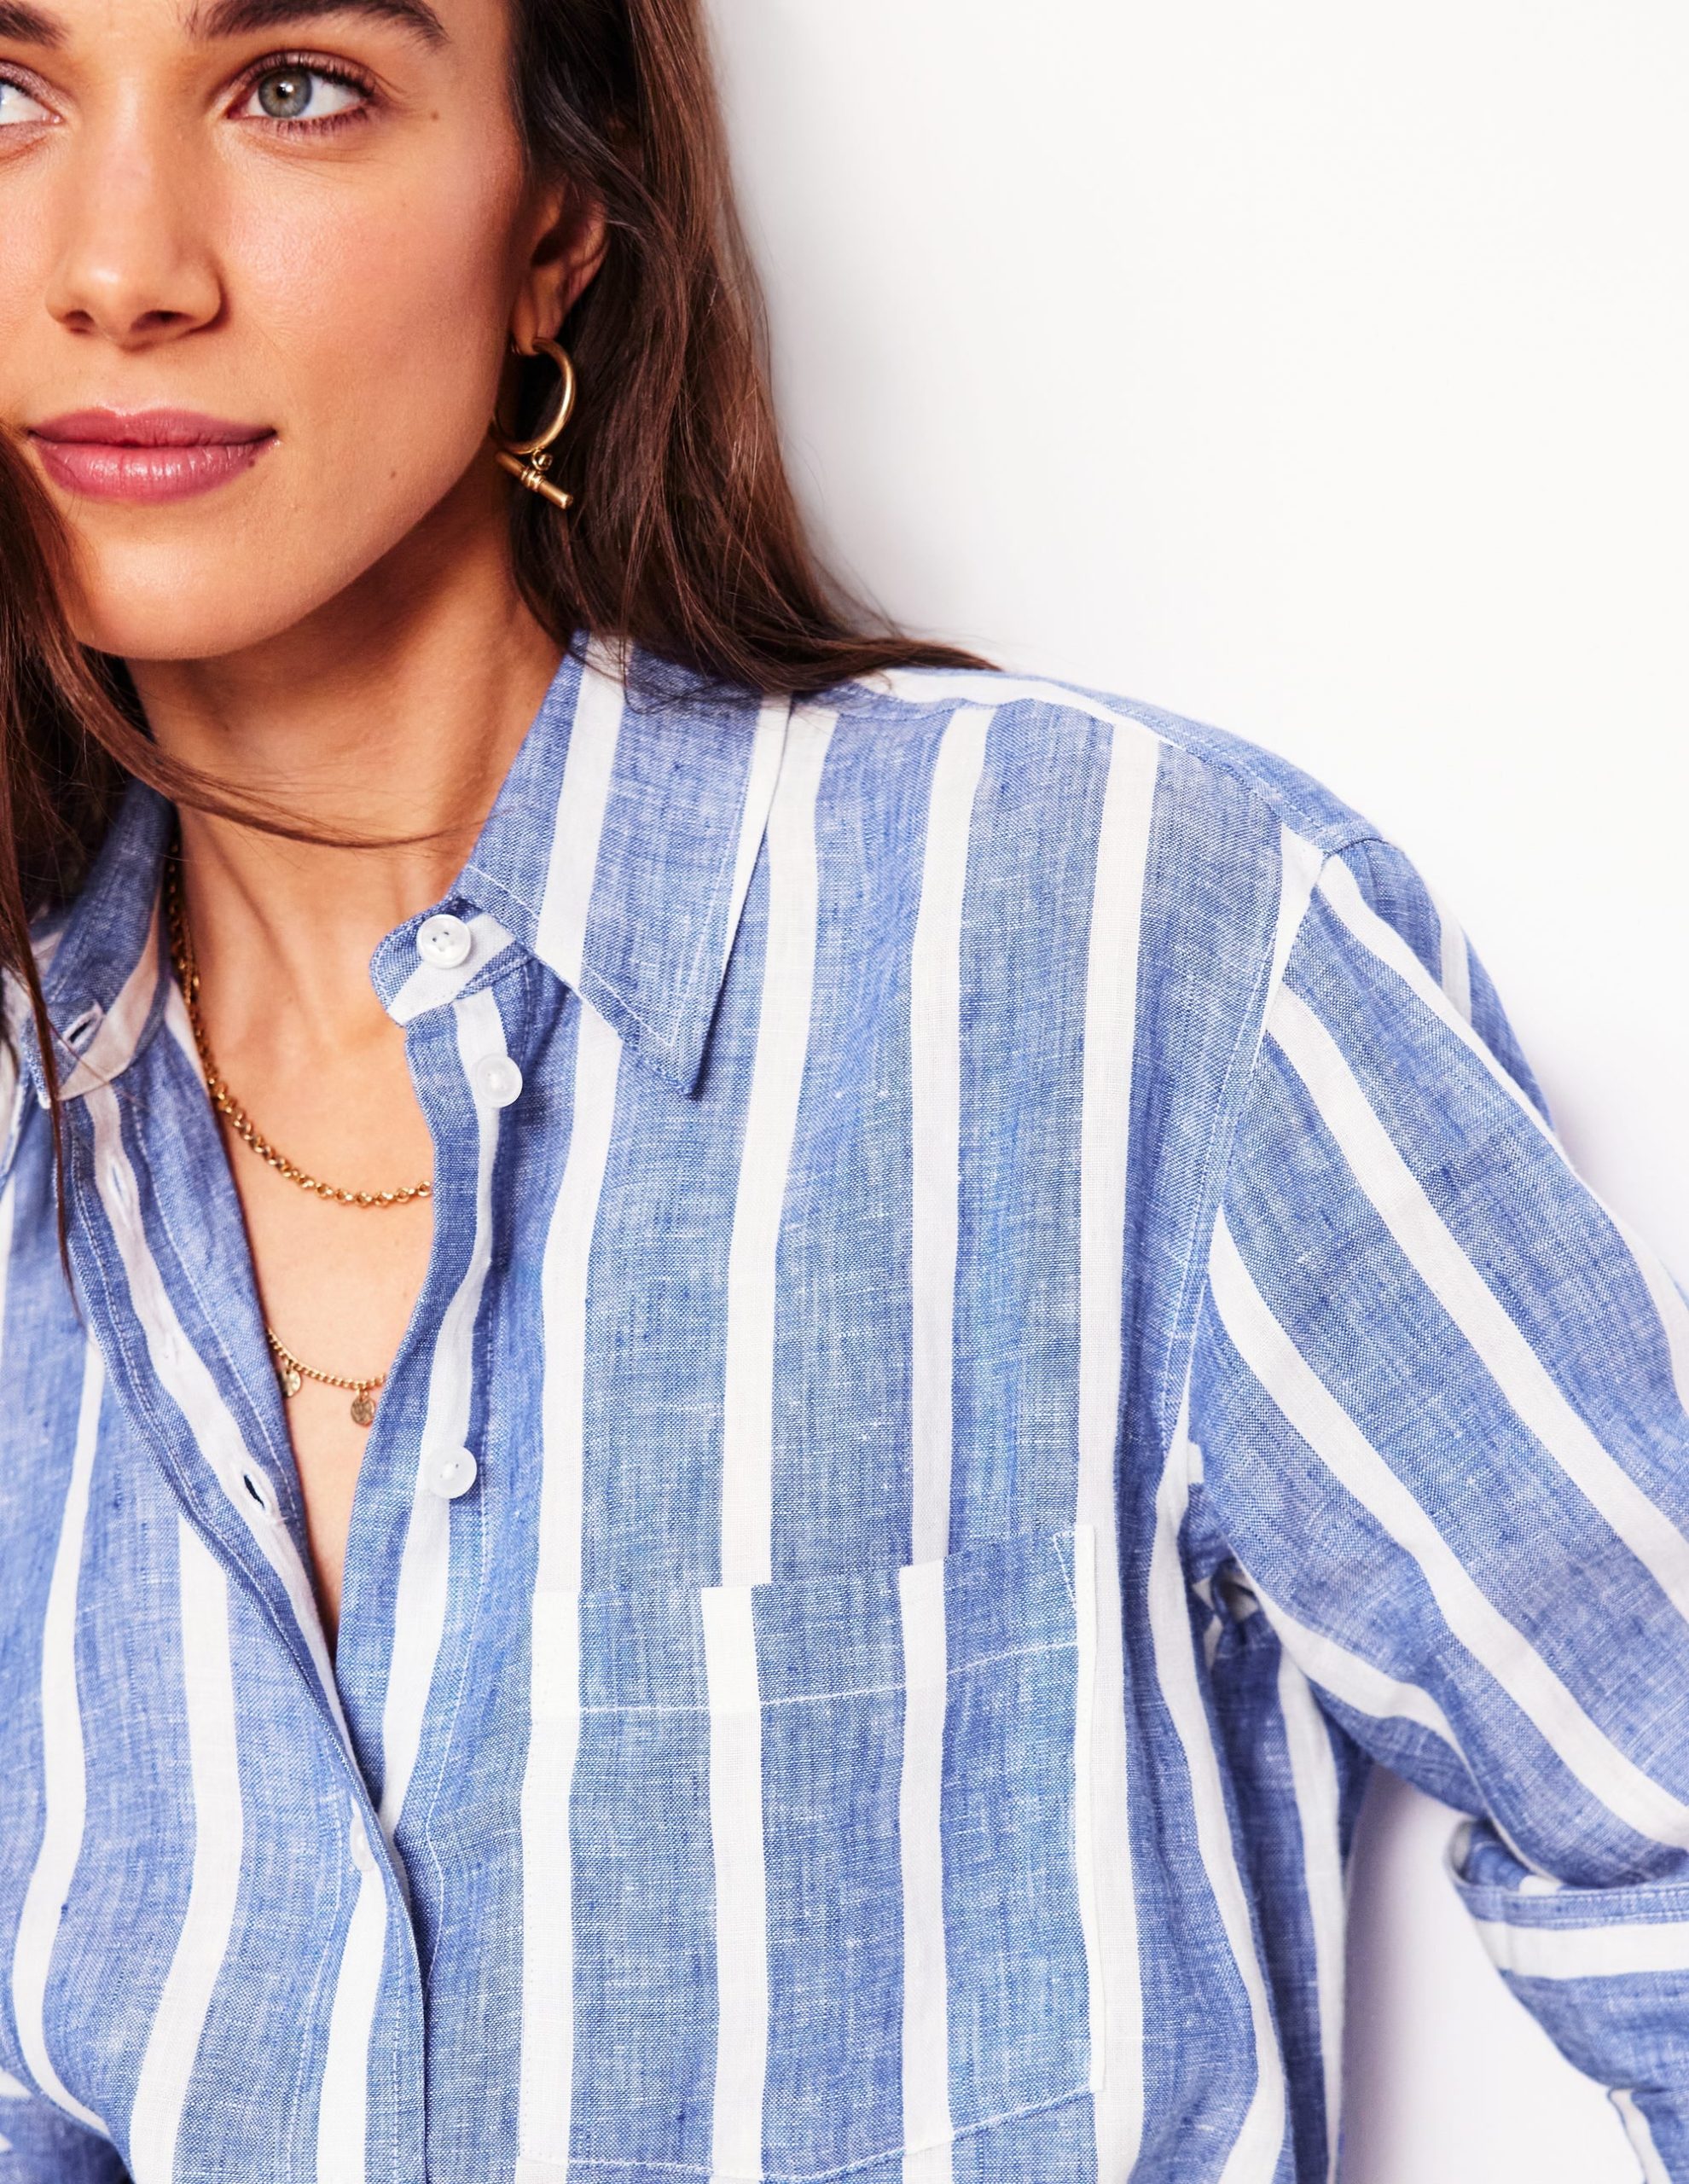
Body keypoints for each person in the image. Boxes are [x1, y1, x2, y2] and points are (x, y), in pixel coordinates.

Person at [0, 3, 1686, 2180]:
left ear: (559, 226)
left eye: (295, 86)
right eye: (5, 92)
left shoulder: (1114, 935)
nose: (118, 268)